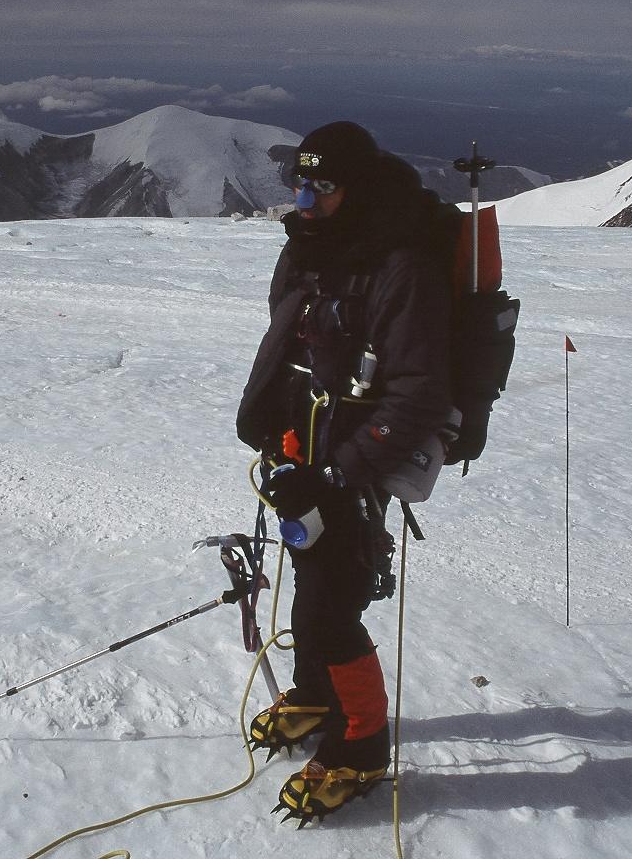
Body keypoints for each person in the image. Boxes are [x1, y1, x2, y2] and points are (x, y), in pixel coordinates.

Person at [237, 121, 453, 824]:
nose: (303, 199)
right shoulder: (315, 248)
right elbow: (292, 343)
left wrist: (334, 476)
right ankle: (313, 692)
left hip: (359, 462)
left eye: (321, 186)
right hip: (311, 446)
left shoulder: (399, 266)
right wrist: (277, 433)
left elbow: (417, 393)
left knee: (334, 603)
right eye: (298, 183)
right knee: (309, 579)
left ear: (353, 190)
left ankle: (361, 747)